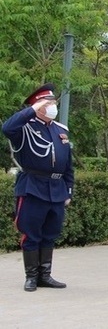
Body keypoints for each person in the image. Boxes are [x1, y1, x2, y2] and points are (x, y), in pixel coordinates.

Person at [1, 83, 73, 292]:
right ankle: (31, 276)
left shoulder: (61, 130)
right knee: (31, 233)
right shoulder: (24, 128)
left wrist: (68, 189)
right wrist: (31, 110)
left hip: (57, 188)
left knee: (50, 233)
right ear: (38, 106)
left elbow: (68, 164)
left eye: (53, 103)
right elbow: (6, 128)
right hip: (33, 186)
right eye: (47, 103)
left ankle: (45, 275)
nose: (53, 106)